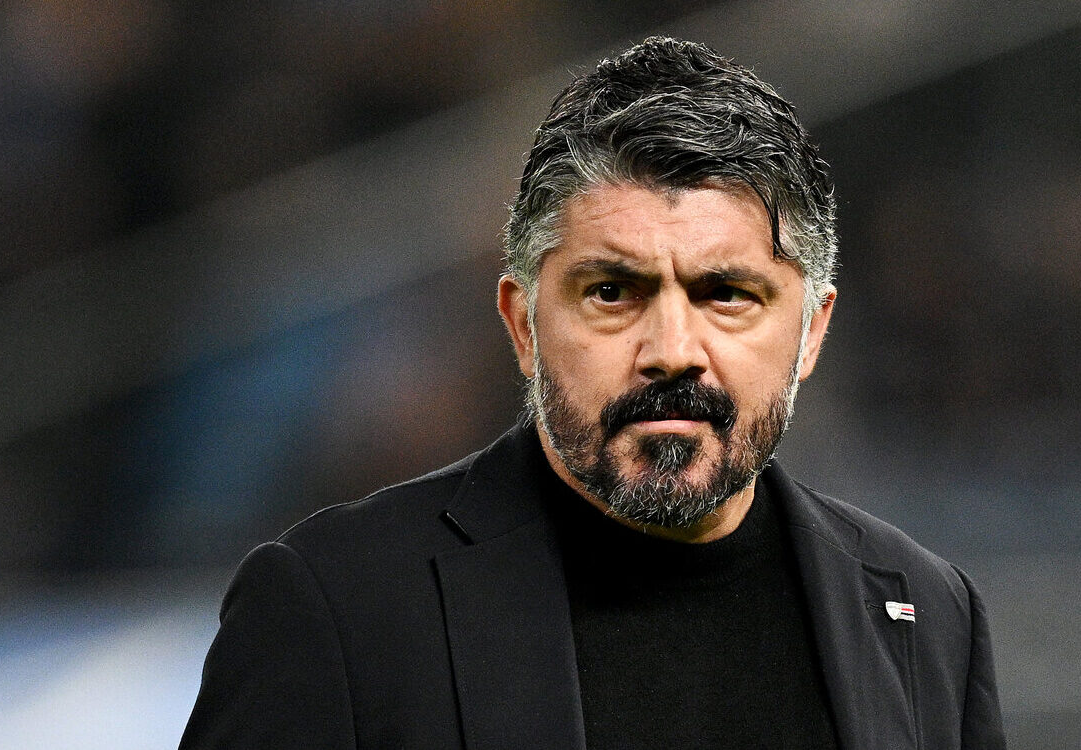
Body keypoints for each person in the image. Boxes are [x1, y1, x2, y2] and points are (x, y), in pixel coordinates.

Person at [180, 37, 1006, 749]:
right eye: (613, 292)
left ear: (812, 332)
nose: (673, 352)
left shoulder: (929, 614)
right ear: (523, 324)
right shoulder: (335, 606)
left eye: (727, 294)